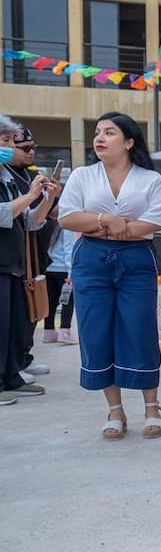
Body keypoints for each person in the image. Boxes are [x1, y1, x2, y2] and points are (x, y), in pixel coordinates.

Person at [57, 112, 161, 439]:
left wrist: (123, 228)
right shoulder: (82, 175)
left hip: (136, 260)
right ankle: (115, 409)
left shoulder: (150, 180)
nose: (100, 138)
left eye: (109, 132)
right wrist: (109, 220)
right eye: (97, 132)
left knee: (139, 329)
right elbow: (67, 217)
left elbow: (157, 220)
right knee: (96, 330)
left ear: (129, 141)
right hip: (91, 259)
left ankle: (152, 405)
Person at [0, 115, 58, 404]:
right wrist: (31, 195)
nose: (10, 147)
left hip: (12, 264)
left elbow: (30, 221)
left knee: (11, 325)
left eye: (12, 141)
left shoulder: (9, 179)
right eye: (6, 141)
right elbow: (2, 213)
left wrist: (45, 199)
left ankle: (11, 376)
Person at [10, 127, 51, 376]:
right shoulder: (8, 177)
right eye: (25, 148)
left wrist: (49, 196)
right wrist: (33, 195)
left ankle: (22, 357)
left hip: (34, 250)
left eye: (34, 147)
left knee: (31, 308)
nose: (31, 153)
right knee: (14, 314)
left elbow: (45, 214)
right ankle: (13, 364)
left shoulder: (31, 175)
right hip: (15, 253)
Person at [42, 221, 78, 344]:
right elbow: (69, 248)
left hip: (49, 268)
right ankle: (65, 331)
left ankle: (49, 331)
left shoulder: (51, 224)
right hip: (63, 269)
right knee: (67, 301)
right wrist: (71, 272)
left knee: (51, 301)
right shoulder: (67, 225)